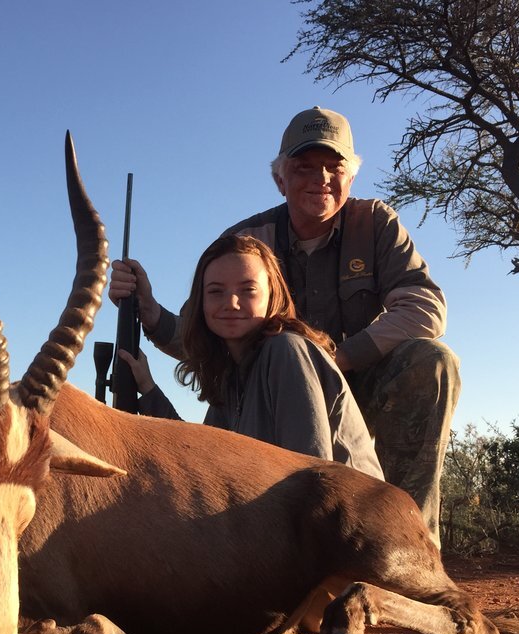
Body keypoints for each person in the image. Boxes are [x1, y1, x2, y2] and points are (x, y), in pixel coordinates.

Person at [111, 106, 458, 547]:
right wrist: (148, 311)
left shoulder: (376, 223)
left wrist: (335, 360)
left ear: (352, 177)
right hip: (267, 389)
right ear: (280, 178)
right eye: (304, 167)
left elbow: (426, 308)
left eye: (335, 167)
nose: (321, 178)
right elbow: (205, 333)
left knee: (432, 362)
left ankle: (413, 545)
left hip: (348, 376)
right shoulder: (248, 240)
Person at [118, 234, 384, 480]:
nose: (231, 303)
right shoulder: (230, 375)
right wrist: (148, 388)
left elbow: (310, 479)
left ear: (273, 296)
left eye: (248, 290)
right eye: (215, 291)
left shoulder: (287, 351)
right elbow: (201, 459)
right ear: (201, 303)